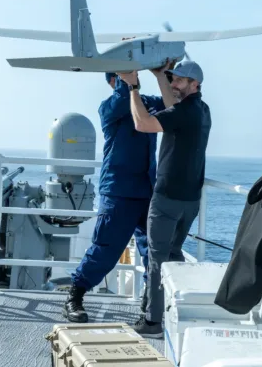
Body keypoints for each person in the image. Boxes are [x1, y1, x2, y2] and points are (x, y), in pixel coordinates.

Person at [118, 58, 211, 338]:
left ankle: (153, 322)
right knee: (172, 255)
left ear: (195, 84)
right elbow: (174, 103)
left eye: (179, 80)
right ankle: (169, 309)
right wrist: (160, 76)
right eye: (173, 79)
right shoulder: (202, 110)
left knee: (158, 259)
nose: (174, 84)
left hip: (168, 198)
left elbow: (143, 124)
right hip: (190, 200)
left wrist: (133, 87)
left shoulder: (183, 113)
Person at [63, 71, 166, 323]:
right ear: (113, 81)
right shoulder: (109, 107)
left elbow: (170, 102)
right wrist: (127, 82)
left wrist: (164, 72)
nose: (133, 79)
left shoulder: (147, 103)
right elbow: (123, 101)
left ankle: (149, 304)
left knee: (153, 251)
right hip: (118, 190)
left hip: (146, 190)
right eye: (121, 77)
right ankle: (74, 296)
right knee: (105, 249)